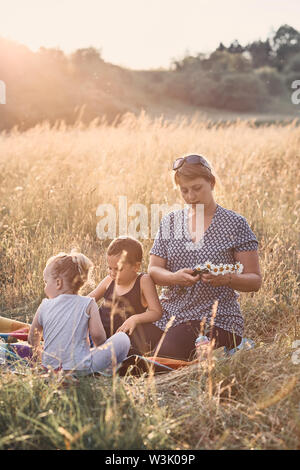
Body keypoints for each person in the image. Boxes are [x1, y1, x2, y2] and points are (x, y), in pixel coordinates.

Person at [146, 154, 262, 361]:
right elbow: (153, 270)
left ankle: (233, 347)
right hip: (168, 314)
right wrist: (174, 278)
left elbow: (255, 280)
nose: (191, 196)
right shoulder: (170, 222)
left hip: (216, 319)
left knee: (162, 356)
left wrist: (226, 278)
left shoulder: (235, 223)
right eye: (184, 190)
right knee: (129, 346)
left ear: (212, 182)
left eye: (197, 188)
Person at [28, 251, 130, 375]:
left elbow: (32, 338)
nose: (45, 287)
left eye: (46, 282)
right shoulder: (88, 303)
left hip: (51, 369)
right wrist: (97, 351)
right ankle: (107, 370)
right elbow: (99, 337)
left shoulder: (44, 305)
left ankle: (53, 368)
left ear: (58, 283)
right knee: (123, 338)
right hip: (81, 367)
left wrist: (40, 361)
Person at [88, 236, 162, 355]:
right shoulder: (108, 280)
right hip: (100, 333)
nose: (112, 273)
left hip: (125, 334)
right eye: (109, 268)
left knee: (153, 334)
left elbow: (156, 312)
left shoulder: (143, 281)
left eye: (118, 269)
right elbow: (88, 300)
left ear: (136, 267)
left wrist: (134, 319)